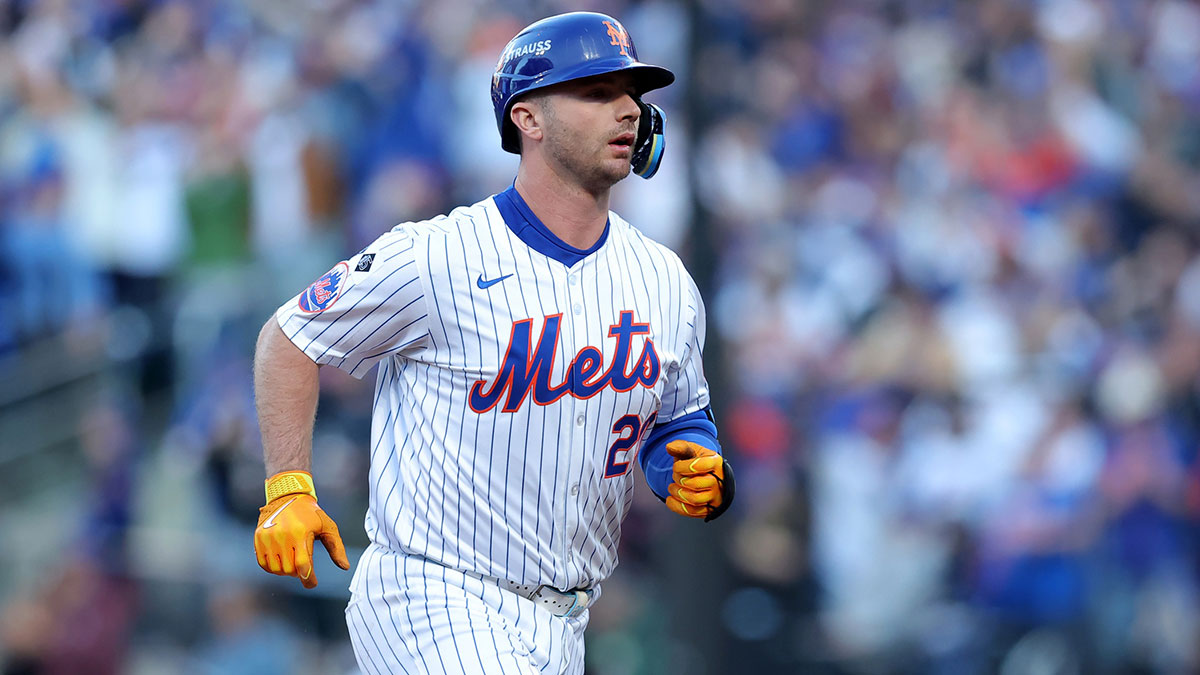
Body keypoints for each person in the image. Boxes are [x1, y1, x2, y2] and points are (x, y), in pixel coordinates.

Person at [251, 11, 735, 674]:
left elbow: (679, 419)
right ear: (527, 119)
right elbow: (290, 336)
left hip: (565, 617)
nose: (627, 109)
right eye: (596, 93)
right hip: (431, 591)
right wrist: (288, 486)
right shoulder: (437, 256)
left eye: (632, 94)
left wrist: (690, 463)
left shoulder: (665, 279)